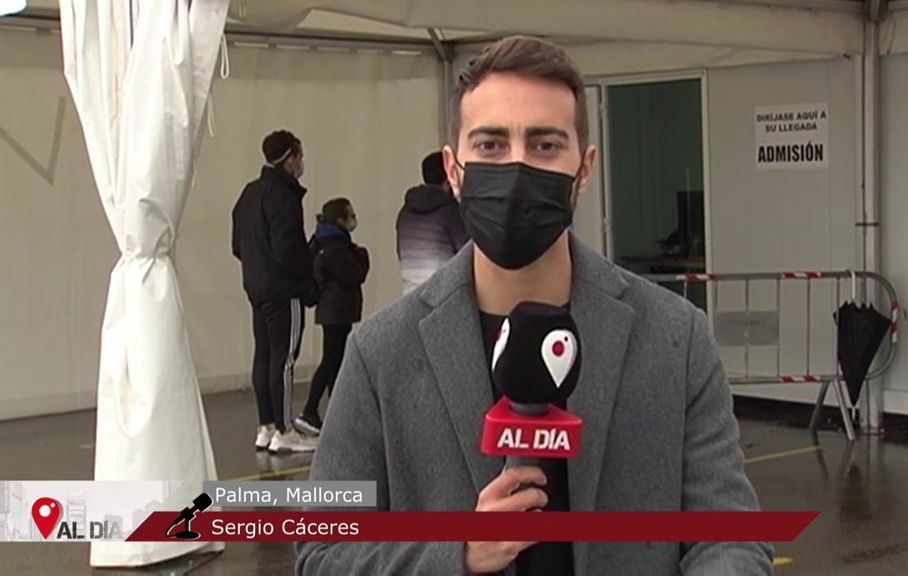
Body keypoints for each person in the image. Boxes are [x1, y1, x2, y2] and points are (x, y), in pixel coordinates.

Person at [297, 37, 772, 575]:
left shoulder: (675, 338)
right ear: (454, 171)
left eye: (545, 145)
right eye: (492, 145)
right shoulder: (380, 354)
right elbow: (324, 554)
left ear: (584, 170)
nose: (517, 169)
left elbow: (729, 536)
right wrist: (458, 553)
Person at [231, 130, 319, 455]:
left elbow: (237, 244)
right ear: (290, 159)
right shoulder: (283, 196)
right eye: (300, 156)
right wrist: (307, 281)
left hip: (256, 287)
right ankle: (284, 429)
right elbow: (289, 248)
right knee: (284, 359)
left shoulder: (249, 193)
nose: (302, 163)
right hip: (284, 290)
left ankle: (266, 425)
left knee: (265, 355)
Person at [294, 198, 370, 437]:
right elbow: (356, 273)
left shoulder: (324, 243)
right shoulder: (336, 248)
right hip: (336, 310)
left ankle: (334, 413)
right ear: (339, 220)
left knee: (334, 361)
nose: (353, 218)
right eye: (349, 214)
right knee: (331, 360)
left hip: (334, 310)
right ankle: (310, 410)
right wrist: (362, 254)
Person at [395, 150, 469, 294]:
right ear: (449, 178)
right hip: (443, 297)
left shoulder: (405, 212)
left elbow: (400, 253)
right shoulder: (451, 212)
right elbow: (467, 255)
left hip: (410, 296)